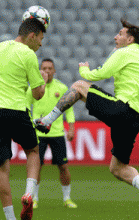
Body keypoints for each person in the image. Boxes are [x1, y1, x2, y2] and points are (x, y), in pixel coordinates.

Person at [33, 18, 139, 217]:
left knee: (79, 85)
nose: (115, 37)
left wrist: (84, 68)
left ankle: (46, 121)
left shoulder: (125, 52)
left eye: (120, 34)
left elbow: (100, 74)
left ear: (130, 39)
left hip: (124, 109)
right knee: (117, 168)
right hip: (137, 119)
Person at [0, 18, 48, 220]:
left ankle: (10, 218)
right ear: (31, 35)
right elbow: (38, 94)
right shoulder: (28, 54)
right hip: (17, 111)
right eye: (40, 38)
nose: (41, 43)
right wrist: (43, 82)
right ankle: (29, 193)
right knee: (33, 151)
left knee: (1, 168)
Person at [26, 58, 78, 209]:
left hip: (56, 133)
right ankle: (34, 198)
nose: (47, 71)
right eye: (44, 68)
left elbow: (69, 108)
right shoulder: (34, 88)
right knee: (37, 166)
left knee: (63, 166)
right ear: (40, 71)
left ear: (54, 71)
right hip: (38, 134)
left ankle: (67, 198)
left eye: (50, 68)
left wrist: (72, 127)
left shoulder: (61, 87)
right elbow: (25, 104)